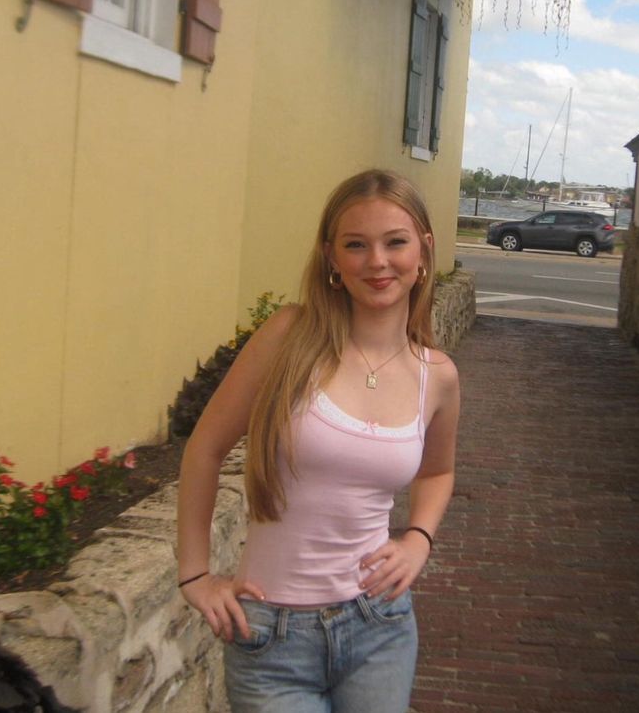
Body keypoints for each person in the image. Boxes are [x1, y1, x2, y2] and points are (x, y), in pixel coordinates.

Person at [177, 168, 460, 712]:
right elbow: (204, 449)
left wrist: (418, 539)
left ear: (423, 250)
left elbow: (438, 471)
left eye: (394, 242)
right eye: (356, 245)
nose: (377, 261)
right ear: (331, 257)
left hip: (379, 626)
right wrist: (194, 574)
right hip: (270, 635)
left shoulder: (437, 375)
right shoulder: (289, 336)